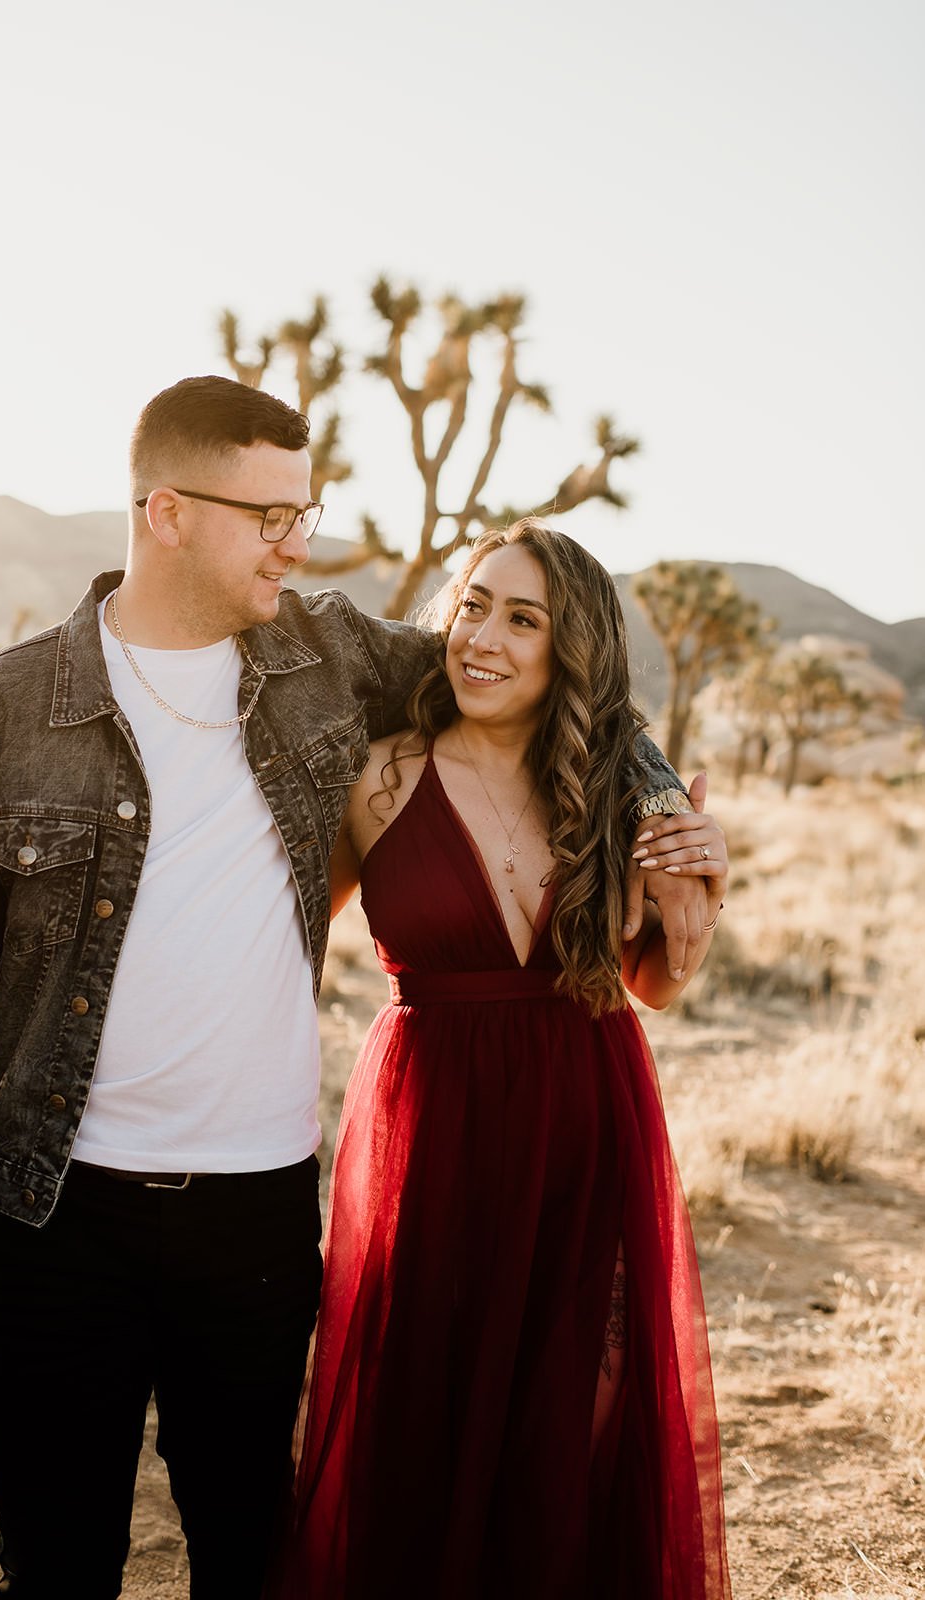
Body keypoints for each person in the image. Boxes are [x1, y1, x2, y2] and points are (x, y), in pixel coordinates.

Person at [0, 377, 704, 1600]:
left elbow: (559, 676)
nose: (297, 543)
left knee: (249, 1553)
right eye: (269, 518)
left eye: (304, 513)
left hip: (255, 1213)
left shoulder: (328, 655)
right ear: (166, 513)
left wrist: (667, 802)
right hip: (52, 1217)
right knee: (56, 1561)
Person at [276, 521, 732, 1598]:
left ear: (566, 648)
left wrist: (697, 889)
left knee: (579, 1406)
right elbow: (284, 939)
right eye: (472, 604)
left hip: (584, 1114)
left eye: (521, 618)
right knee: (424, 1399)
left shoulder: (614, 789)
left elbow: (653, 984)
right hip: (429, 1124)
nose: (483, 636)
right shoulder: (378, 778)